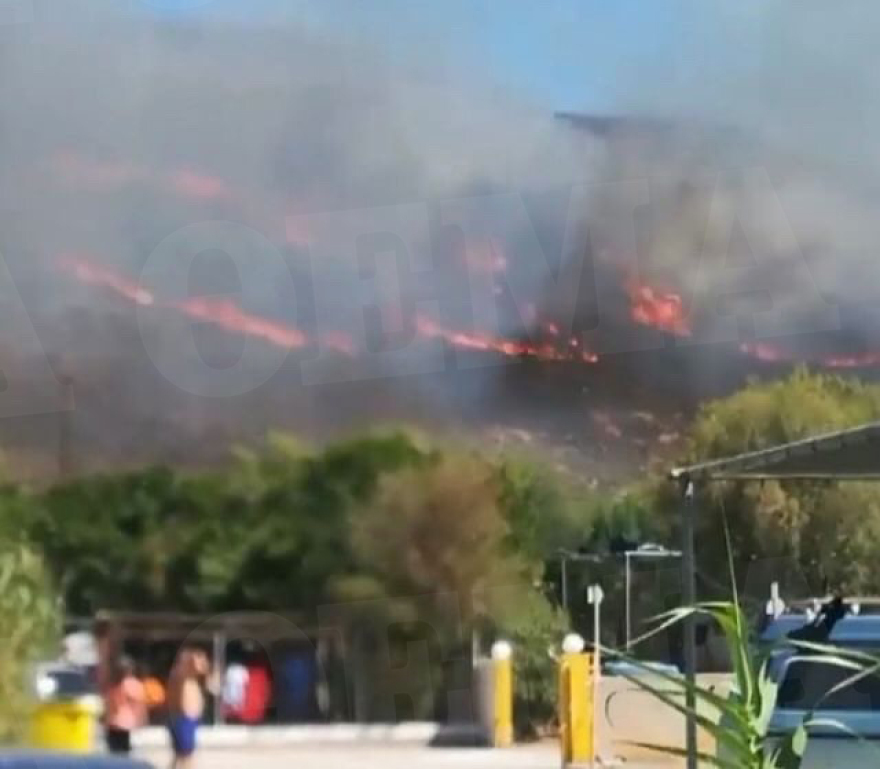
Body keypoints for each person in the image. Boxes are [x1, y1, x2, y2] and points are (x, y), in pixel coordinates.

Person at [166, 649, 205, 769]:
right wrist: (195, 660)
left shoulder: (189, 677)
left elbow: (203, 670)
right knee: (185, 754)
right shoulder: (180, 674)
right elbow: (199, 668)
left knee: (181, 754)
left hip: (187, 718)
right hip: (183, 718)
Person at [103, 656, 146, 755]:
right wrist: (142, 720)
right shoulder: (134, 685)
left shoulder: (113, 685)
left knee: (114, 753)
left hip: (112, 723)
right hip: (126, 724)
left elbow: (108, 705)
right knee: (124, 753)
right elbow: (139, 705)